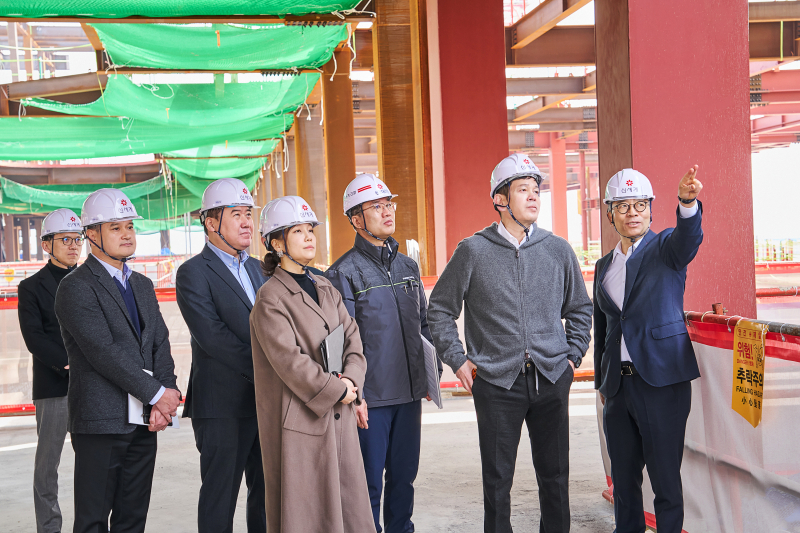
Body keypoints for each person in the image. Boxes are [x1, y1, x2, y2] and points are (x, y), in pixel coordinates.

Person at [428, 153, 593, 533]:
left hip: (552, 377)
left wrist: (571, 358)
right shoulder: (472, 251)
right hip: (496, 383)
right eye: (523, 190)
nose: (533, 196)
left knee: (555, 477)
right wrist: (458, 359)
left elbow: (580, 308)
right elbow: (439, 309)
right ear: (500, 199)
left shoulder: (558, 249)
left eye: (536, 189)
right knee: (498, 482)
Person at [54, 189, 181, 533]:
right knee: (93, 520)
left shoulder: (142, 284)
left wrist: (165, 394)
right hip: (101, 422)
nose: (127, 234)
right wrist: (157, 394)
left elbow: (159, 342)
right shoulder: (76, 287)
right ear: (92, 235)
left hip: (144, 420)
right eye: (115, 228)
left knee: (132, 519)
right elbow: (103, 352)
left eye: (130, 226)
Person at [250, 195, 374, 533]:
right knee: (308, 513)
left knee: (349, 509)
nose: (308, 237)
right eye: (297, 231)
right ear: (277, 243)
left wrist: (352, 381)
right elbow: (291, 362)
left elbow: (353, 338)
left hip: (339, 411)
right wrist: (338, 389)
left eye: (310, 230)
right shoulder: (270, 299)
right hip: (302, 421)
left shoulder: (324, 286)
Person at [324, 173, 439, 533]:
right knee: (368, 484)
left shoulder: (408, 267)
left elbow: (423, 324)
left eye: (388, 204)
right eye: (376, 206)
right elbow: (339, 342)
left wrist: (430, 375)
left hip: (409, 394)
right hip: (370, 399)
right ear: (356, 219)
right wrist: (352, 395)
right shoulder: (342, 273)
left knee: (404, 478)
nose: (387, 211)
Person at [593, 166, 703, 533]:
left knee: (665, 482)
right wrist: (603, 384)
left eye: (640, 204)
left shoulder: (666, 249)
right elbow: (604, 327)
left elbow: (689, 237)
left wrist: (687, 203)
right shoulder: (604, 266)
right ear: (610, 214)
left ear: (651, 209)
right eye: (623, 206)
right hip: (618, 388)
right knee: (624, 483)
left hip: (661, 384)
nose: (632, 213)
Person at [175, 178, 267, 533]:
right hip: (222, 406)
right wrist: (273, 369)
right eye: (236, 215)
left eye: (248, 214)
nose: (247, 223)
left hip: (266, 402)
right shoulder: (193, 273)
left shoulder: (260, 268)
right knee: (220, 498)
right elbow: (213, 336)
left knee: (267, 495)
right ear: (211, 223)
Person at [17, 208, 82, 533]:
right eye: (65, 239)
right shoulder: (31, 287)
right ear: (47, 245)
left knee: (94, 461)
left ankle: (90, 523)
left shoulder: (93, 281)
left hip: (94, 385)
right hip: (54, 385)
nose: (73, 246)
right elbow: (34, 337)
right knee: (47, 466)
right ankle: (49, 527)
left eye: (78, 239)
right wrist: (71, 363)